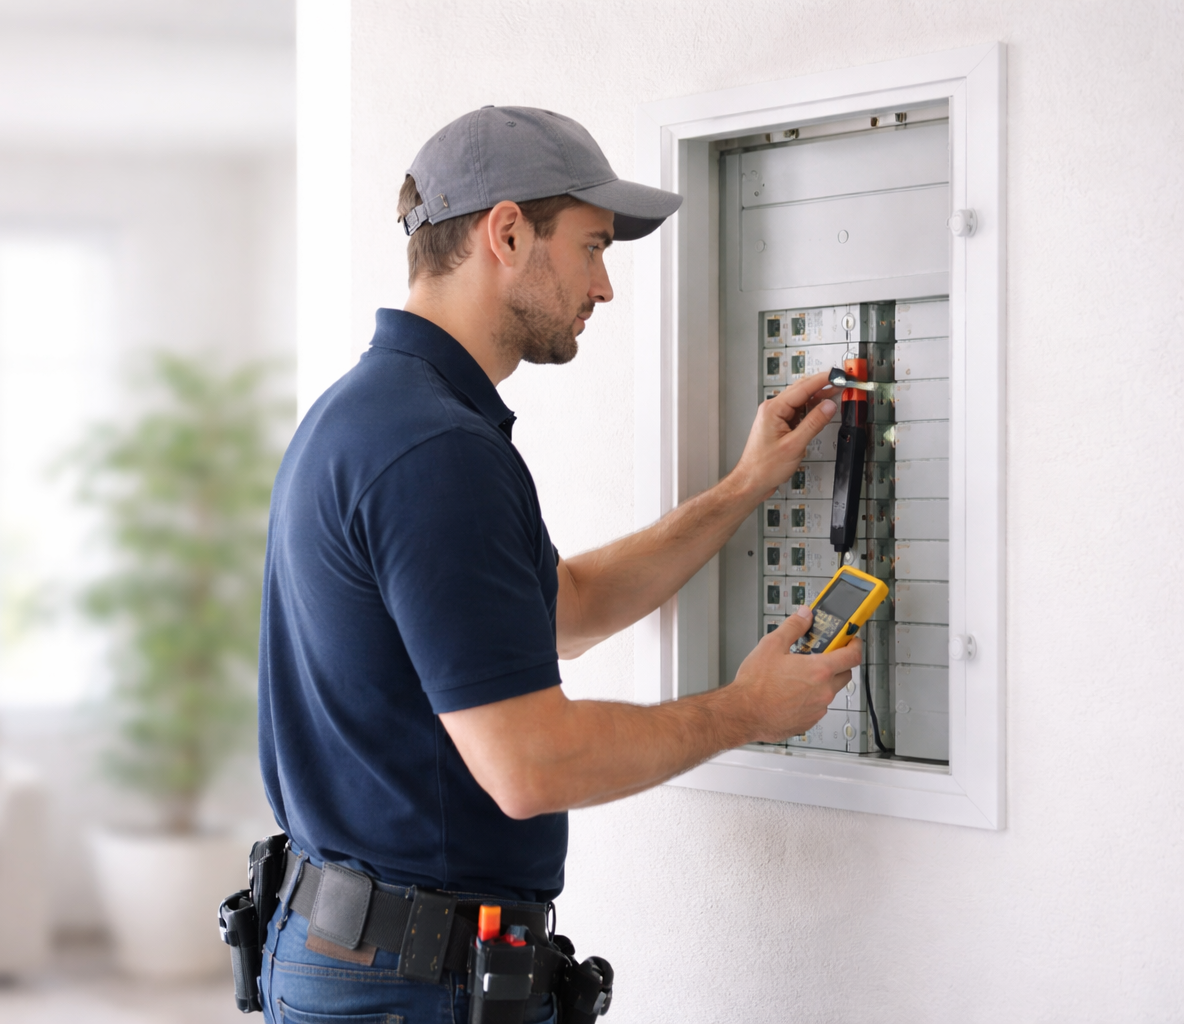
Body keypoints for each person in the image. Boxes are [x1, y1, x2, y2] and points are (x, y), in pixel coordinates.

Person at [254, 106, 861, 1024]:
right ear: (505, 233)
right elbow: (529, 765)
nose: (605, 287)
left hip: (364, 956)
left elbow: (563, 607)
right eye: (592, 247)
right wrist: (748, 711)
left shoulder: (369, 415)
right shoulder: (434, 452)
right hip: (410, 986)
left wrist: (743, 488)